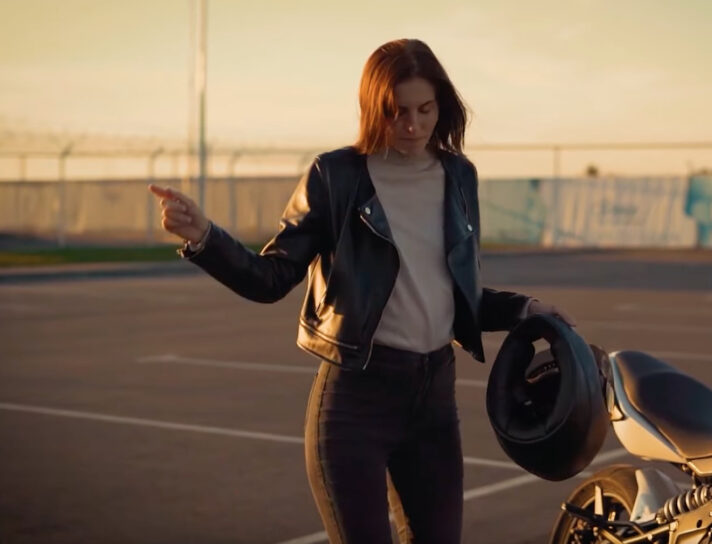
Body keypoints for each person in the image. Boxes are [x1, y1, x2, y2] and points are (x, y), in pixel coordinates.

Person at [147, 38, 574, 544]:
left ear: (442, 105)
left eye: (425, 109)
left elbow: (452, 294)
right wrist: (205, 237)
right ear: (373, 109)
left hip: (434, 400)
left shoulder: (460, 176)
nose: (413, 126)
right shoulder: (337, 176)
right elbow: (271, 280)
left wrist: (524, 309)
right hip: (354, 404)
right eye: (397, 112)